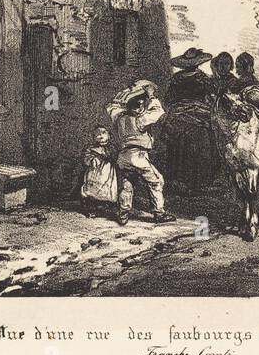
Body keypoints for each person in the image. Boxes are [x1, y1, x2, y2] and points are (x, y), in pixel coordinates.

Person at [107, 80, 174, 225]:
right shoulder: (140, 120)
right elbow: (158, 112)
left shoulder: (119, 117)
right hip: (139, 156)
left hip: (123, 157)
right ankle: (158, 213)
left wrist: (126, 93)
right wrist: (151, 96)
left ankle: (123, 213)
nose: (140, 107)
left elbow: (112, 106)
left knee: (127, 184)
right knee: (156, 181)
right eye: (139, 104)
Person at [161, 48, 216, 194]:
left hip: (178, 115)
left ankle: (177, 181)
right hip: (199, 115)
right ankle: (198, 183)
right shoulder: (202, 77)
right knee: (202, 143)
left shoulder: (176, 78)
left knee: (177, 146)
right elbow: (211, 96)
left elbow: (168, 99)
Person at [78, 125, 118, 218]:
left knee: (107, 190)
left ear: (109, 135)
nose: (100, 136)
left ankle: (106, 208)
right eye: (97, 134)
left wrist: (110, 157)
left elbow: (115, 157)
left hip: (108, 174)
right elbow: (85, 157)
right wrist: (91, 159)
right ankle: (91, 208)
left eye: (103, 133)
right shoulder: (90, 148)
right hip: (94, 173)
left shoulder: (112, 148)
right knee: (92, 190)